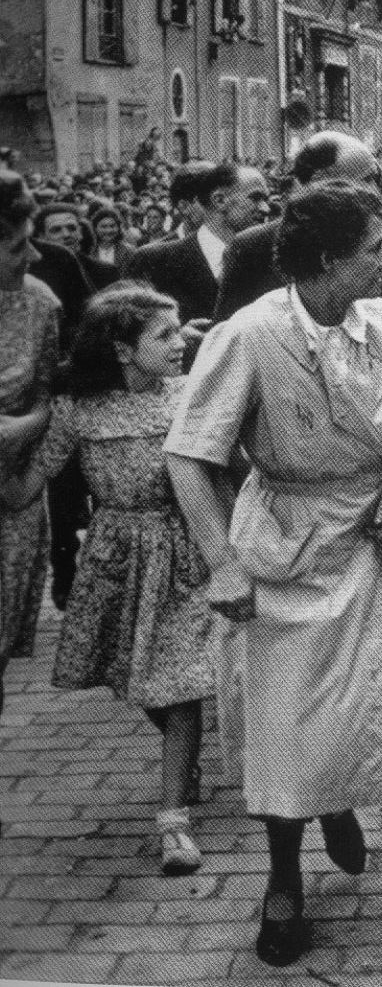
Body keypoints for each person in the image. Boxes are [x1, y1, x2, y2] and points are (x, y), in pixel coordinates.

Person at [165, 180, 382, 966]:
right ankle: (282, 882)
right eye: (374, 247)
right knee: (286, 724)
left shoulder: (380, 319)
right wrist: (221, 562)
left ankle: (335, 798)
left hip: (368, 541)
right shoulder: (248, 334)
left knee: (364, 695)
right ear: (329, 259)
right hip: (287, 548)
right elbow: (186, 454)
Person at [0, 283, 215, 875]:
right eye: (164, 336)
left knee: (183, 685)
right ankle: (184, 755)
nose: (179, 345)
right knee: (144, 680)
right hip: (117, 555)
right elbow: (27, 484)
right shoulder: (81, 408)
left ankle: (173, 821)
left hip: (185, 547)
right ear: (122, 349)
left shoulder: (192, 394)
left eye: (178, 333)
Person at [213, 132, 382, 528]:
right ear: (320, 180)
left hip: (373, 457)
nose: (377, 189)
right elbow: (229, 362)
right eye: (366, 179)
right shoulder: (252, 249)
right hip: (288, 471)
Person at [0, 174, 58, 719]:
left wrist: (25, 429)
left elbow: (46, 398)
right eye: (18, 244)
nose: (34, 254)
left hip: (11, 502)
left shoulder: (38, 306)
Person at [125, 161, 267, 342]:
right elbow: (126, 334)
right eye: (256, 198)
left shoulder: (270, 261)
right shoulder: (153, 260)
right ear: (219, 200)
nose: (265, 208)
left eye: (266, 200)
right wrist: (174, 337)